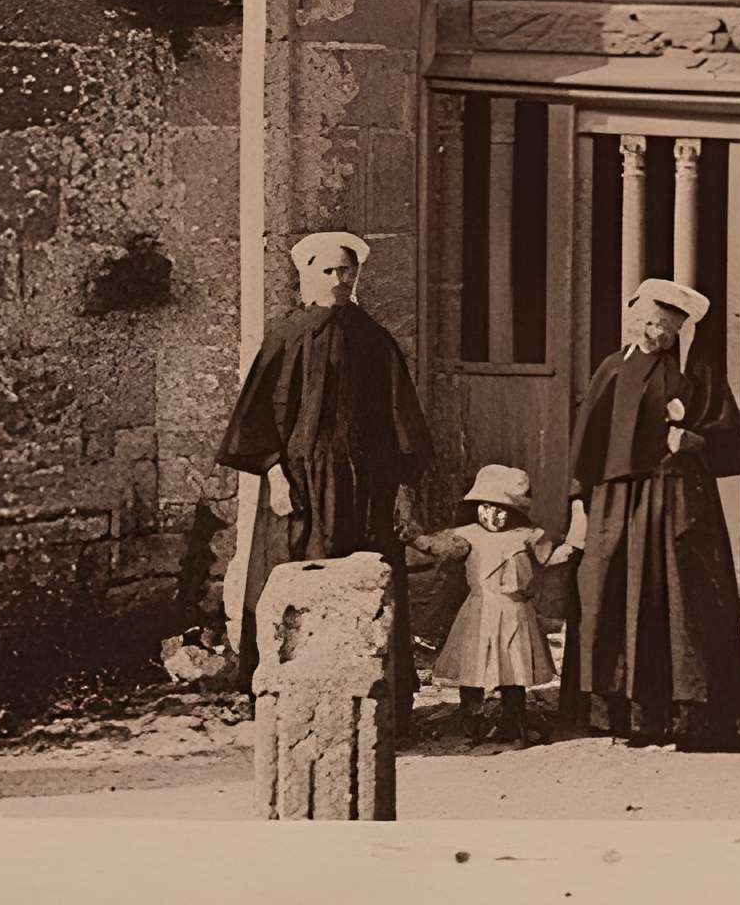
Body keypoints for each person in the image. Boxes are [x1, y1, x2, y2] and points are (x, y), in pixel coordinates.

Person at [216, 230, 437, 727]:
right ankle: (295, 705)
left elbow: (403, 419)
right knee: (297, 577)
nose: (338, 280)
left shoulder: (374, 339)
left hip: (365, 489)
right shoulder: (285, 336)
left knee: (367, 584)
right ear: (306, 274)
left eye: (347, 271)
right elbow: (255, 418)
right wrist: (275, 475)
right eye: (328, 271)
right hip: (300, 488)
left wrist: (402, 486)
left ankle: (380, 706)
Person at [564, 276, 740, 756]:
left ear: (679, 330)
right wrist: (579, 506)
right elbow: (587, 444)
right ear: (632, 321)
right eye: (648, 322)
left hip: (679, 501)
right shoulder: (611, 369)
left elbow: (729, 435)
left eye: (666, 327)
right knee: (618, 598)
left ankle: (696, 717)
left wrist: (692, 441)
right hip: (617, 506)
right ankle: (629, 717)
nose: (655, 334)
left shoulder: (696, 372)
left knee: (685, 603)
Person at [409, 463, 578, 747]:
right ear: (476, 506)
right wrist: (415, 538)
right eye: (486, 507)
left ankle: (513, 719)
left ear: (514, 511)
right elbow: (441, 548)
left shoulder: (528, 535)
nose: (494, 515)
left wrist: (574, 544)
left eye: (502, 509)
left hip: (515, 611)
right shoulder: (468, 535)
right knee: (474, 665)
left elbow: (550, 556)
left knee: (514, 667)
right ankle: (472, 717)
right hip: (481, 609)